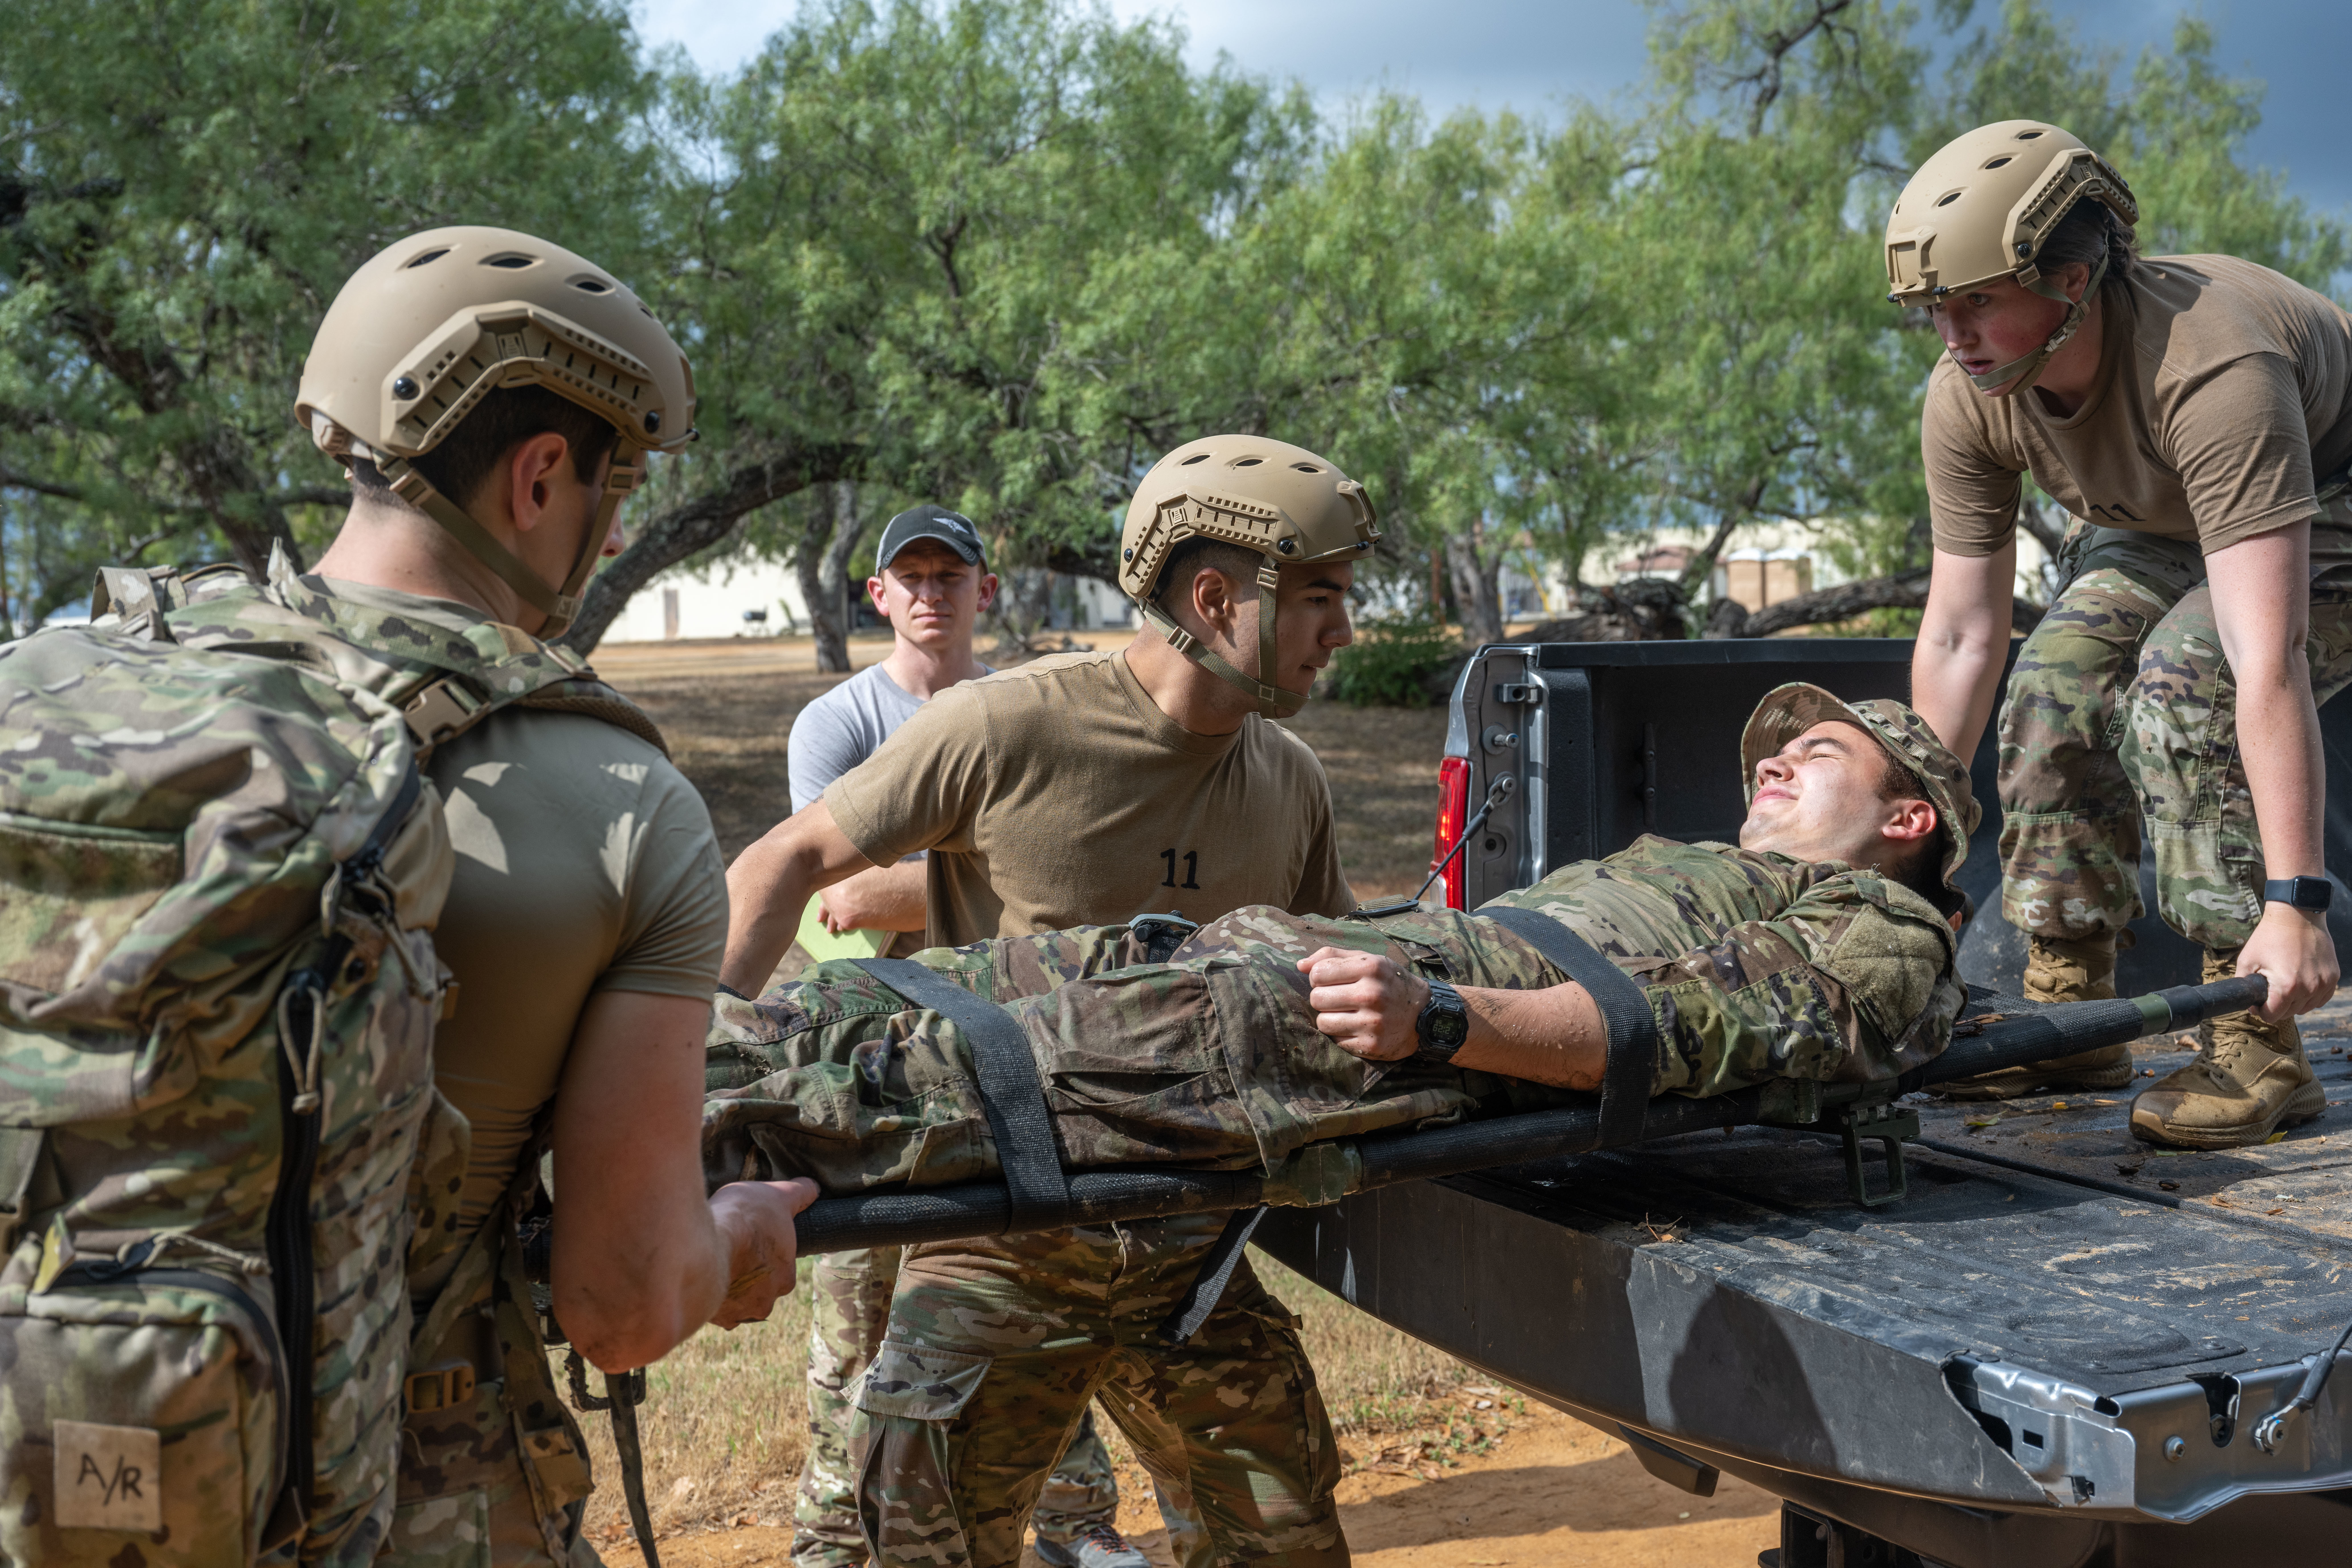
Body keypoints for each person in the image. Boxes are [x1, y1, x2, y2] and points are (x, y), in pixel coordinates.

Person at [720, 434, 1370, 1568]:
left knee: (1290, 1542)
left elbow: (1340, 959)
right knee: (915, 1549)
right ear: (1214, 598)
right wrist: (698, 1071)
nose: (1345, 630)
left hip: (1194, 1253)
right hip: (1001, 1239)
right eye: (1320, 597)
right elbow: (787, 860)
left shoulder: (1290, 778)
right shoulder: (1005, 727)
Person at [281, 225, 814, 1565]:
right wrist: (730, 1234)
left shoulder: (63, 702)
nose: (618, 525)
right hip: (390, 1493)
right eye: (613, 485)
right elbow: (622, 1304)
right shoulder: (622, 799)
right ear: (537, 477)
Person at [702, 686, 1973, 1214]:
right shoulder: (1711, 865)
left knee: (939, 1077)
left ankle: (644, 1129)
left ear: (1908, 818)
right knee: (923, 994)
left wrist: (1439, 1021)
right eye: (1775, 750)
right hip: (1326, 958)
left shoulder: (1883, 925)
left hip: (1362, 1014)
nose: (1772, 759)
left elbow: (1691, 1036)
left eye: (1816, 755)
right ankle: (655, 1050)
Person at [1892, 119, 2352, 1149]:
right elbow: (1966, 635)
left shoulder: (2212, 362)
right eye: (1935, 309)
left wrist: (2298, 906)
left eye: (1976, 302)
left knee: (2189, 681)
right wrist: (1907, 858)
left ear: (2072, 279)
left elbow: (2260, 659)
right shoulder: (1971, 397)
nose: (1952, 333)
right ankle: (2072, 1009)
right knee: (2051, 682)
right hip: (2158, 518)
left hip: (2328, 498)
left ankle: (2256, 1035)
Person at [781, 508, 1145, 1568]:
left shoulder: (1023, 710)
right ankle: (833, 1542)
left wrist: (943, 868)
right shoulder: (838, 724)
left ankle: (1078, 1529)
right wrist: (1000, 864)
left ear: (987, 591)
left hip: (1010, 1049)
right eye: (913, 575)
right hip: (873, 1057)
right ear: (880, 597)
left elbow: (1071, 886)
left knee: (1031, 1286)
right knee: (858, 1316)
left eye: (953, 573)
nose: (933, 591)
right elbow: (840, 898)